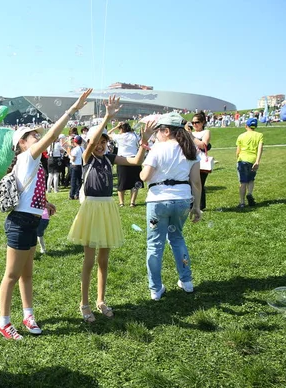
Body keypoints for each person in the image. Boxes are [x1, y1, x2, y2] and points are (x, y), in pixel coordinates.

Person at [0, 88, 92, 341]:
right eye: (32, 136)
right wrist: (72, 110)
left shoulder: (33, 162)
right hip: (19, 223)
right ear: (21, 143)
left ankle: (28, 315)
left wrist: (44, 203)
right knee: (11, 275)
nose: (37, 138)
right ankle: (4, 322)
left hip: (31, 218)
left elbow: (32, 190)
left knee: (27, 274)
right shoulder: (27, 156)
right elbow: (53, 135)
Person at [68, 96, 153, 321]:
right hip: (91, 209)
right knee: (88, 260)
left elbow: (135, 161)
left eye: (104, 142)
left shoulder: (109, 158)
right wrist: (107, 117)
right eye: (97, 142)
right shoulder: (87, 158)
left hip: (107, 209)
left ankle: (101, 300)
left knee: (103, 261)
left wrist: (143, 142)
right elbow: (92, 142)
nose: (101, 145)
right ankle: (84, 304)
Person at [139, 112, 202, 300]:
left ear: (166, 131)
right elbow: (196, 183)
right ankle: (186, 280)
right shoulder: (190, 150)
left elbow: (144, 177)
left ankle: (155, 288)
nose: (157, 134)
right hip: (182, 199)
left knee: (154, 245)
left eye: (158, 131)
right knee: (177, 239)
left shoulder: (158, 149)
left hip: (158, 200)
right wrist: (196, 207)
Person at [109, 122, 143, 207]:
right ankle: (132, 202)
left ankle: (121, 203)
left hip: (122, 160)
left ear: (121, 129)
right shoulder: (134, 135)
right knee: (135, 182)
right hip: (134, 159)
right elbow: (140, 141)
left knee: (121, 182)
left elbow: (108, 133)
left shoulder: (119, 137)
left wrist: (116, 127)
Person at [186, 111, 211, 210]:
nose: (195, 124)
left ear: (203, 122)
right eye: (193, 122)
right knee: (189, 184)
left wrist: (191, 136)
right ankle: (191, 204)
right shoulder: (190, 133)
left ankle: (200, 206)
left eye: (197, 122)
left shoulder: (206, 132)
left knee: (199, 183)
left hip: (200, 161)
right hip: (189, 160)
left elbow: (203, 145)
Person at [236, 117, 263, 208]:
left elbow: (238, 151)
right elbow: (260, 149)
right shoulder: (259, 135)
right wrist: (257, 161)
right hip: (253, 160)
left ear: (246, 125)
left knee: (243, 181)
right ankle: (250, 193)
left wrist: (237, 158)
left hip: (242, 160)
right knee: (251, 179)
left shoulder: (241, 136)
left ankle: (242, 202)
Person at [68, 135, 84, 200]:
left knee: (73, 181)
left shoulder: (75, 149)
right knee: (79, 181)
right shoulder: (82, 148)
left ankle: (72, 194)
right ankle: (78, 194)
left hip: (74, 166)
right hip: (80, 165)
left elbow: (73, 159)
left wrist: (69, 154)